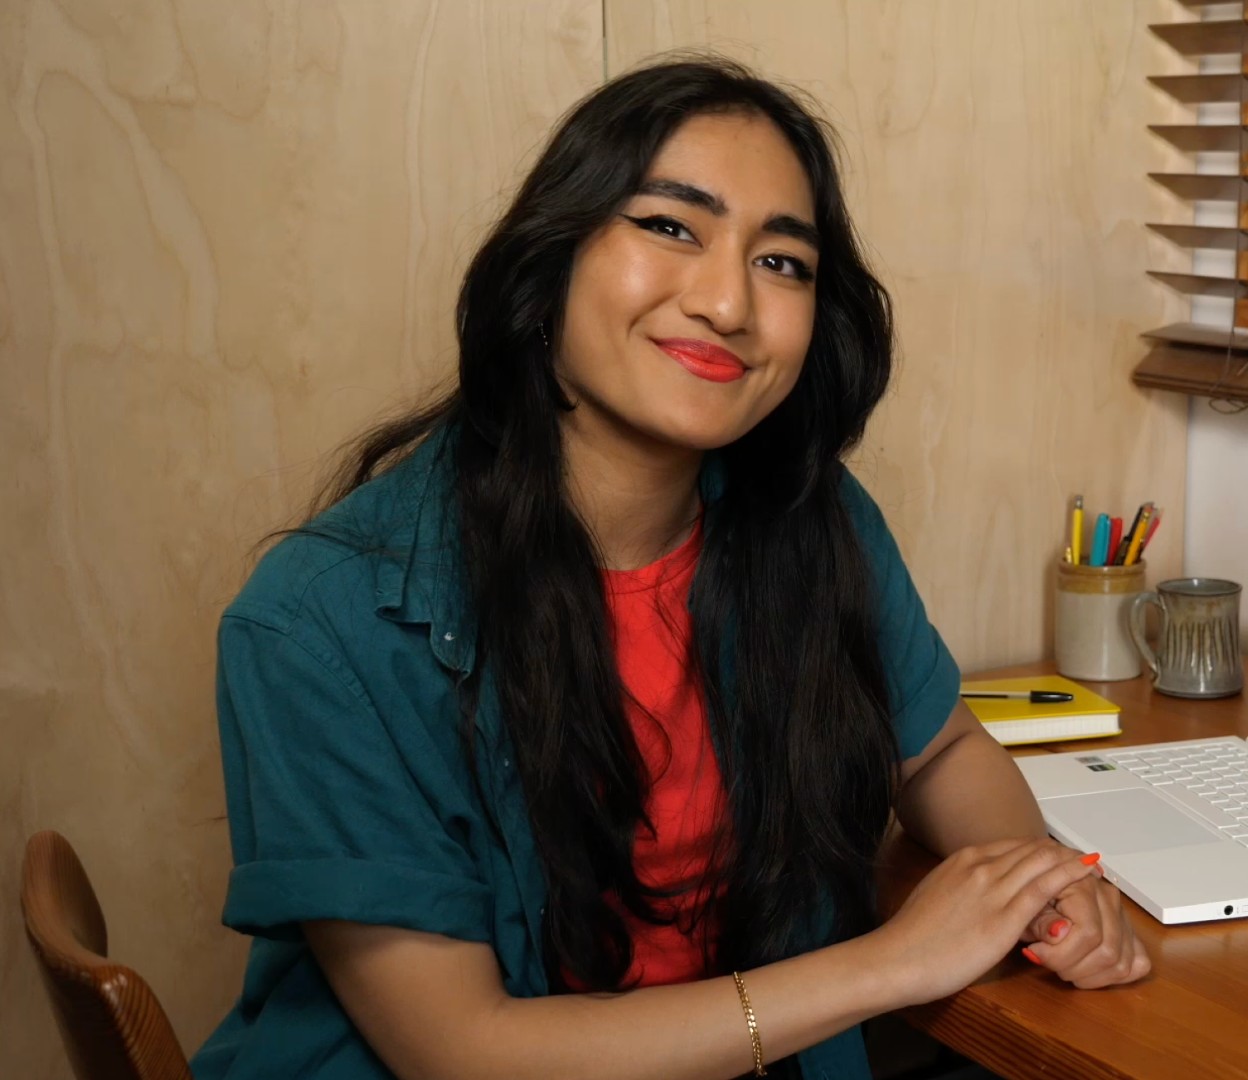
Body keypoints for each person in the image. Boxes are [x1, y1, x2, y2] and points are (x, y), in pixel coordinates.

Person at [190, 56, 1149, 1080]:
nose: (729, 302)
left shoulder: (813, 523)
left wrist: (1039, 884)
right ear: (548, 261)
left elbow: (942, 748)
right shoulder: (313, 625)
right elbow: (462, 1053)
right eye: (669, 227)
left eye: (782, 262)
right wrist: (891, 965)